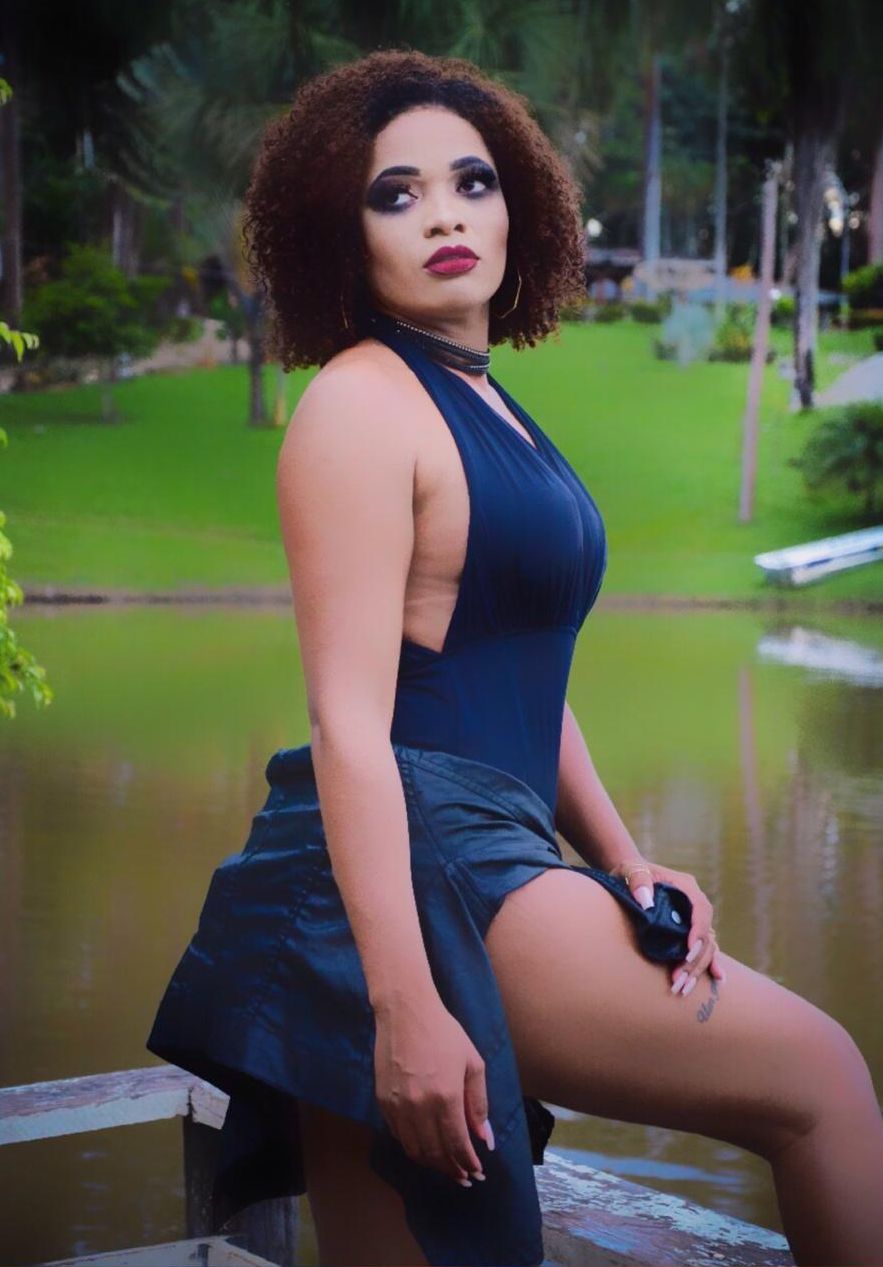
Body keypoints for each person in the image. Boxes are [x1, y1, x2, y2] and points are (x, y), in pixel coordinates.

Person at [146, 48, 883, 1267]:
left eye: (471, 181)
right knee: (823, 1080)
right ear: (342, 235)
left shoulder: (482, 397)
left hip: (483, 853)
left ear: (518, 209)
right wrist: (400, 1004)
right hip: (413, 871)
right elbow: (349, 725)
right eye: (395, 194)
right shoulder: (360, 404)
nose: (443, 214)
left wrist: (623, 856)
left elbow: (523, 665)